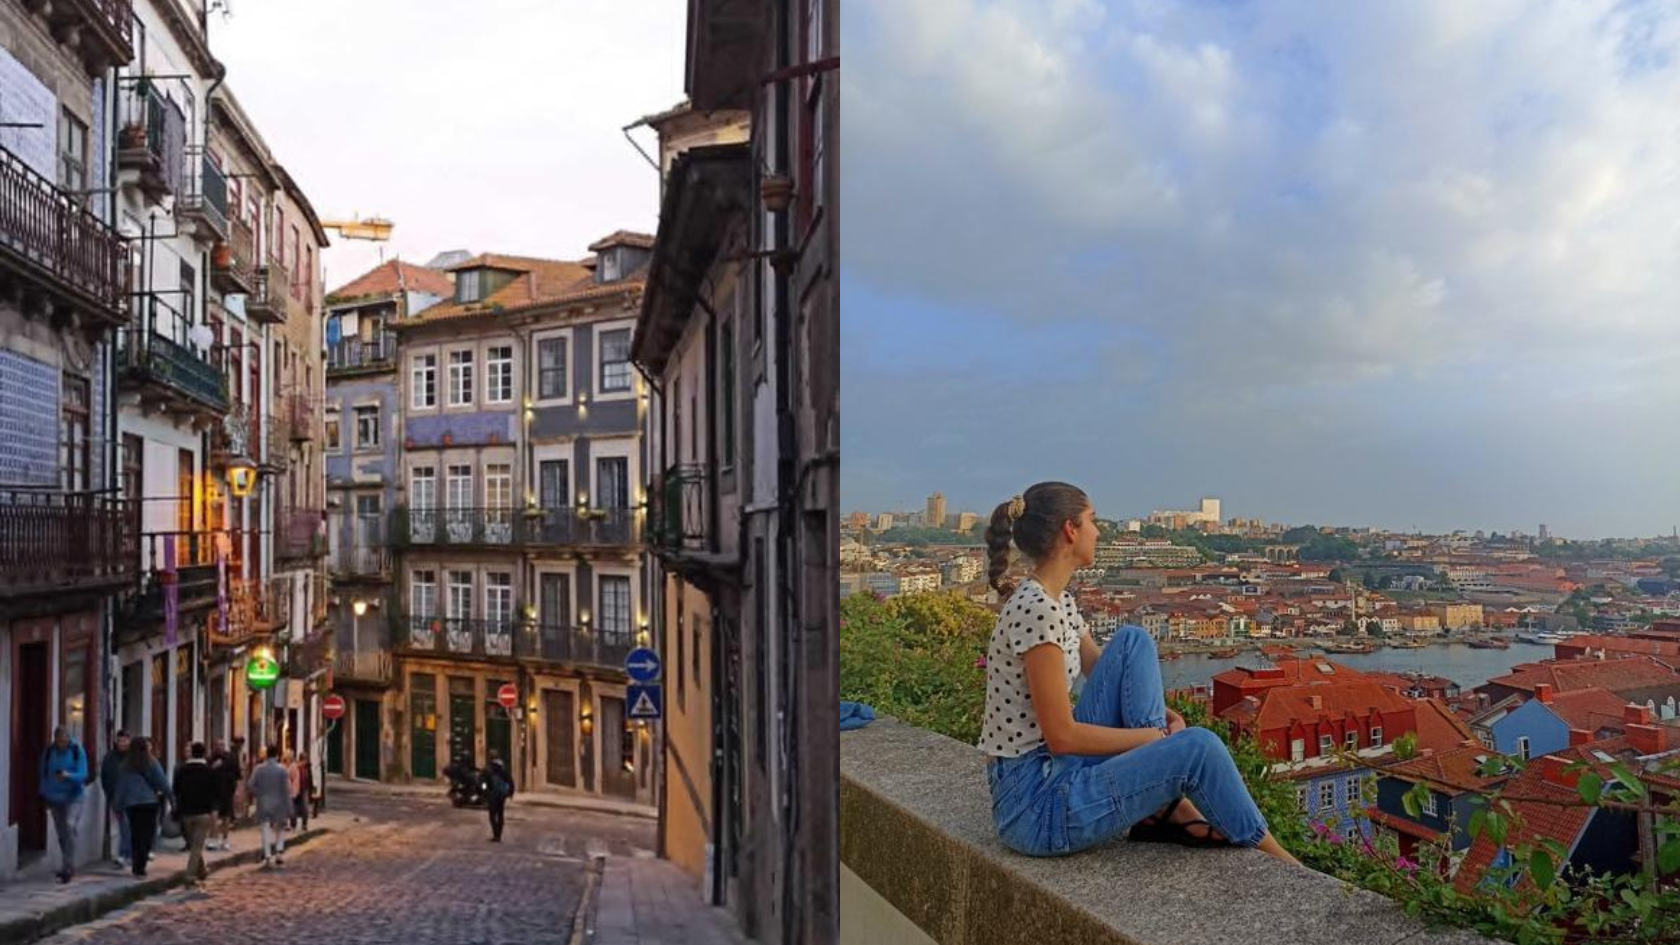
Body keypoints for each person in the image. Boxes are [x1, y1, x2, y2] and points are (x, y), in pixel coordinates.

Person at [980, 483, 1298, 865]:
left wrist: (1156, 718)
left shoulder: (1057, 600)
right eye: (1092, 521)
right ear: (1070, 529)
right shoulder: (1037, 610)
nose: (1099, 531)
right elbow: (1062, 736)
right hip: (1035, 808)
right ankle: (1280, 859)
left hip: (1052, 773)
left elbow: (1104, 670)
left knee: (1133, 640)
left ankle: (1159, 807)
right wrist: (1157, 739)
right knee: (1199, 747)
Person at [111, 736, 169, 877]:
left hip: (132, 805)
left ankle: (137, 865)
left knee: (136, 834)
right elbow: (162, 781)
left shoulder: (125, 765)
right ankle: (141, 865)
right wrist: (171, 797)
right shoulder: (151, 762)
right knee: (147, 834)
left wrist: (117, 804)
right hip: (149, 803)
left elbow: (121, 787)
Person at [39, 726, 89, 883]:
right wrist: (44, 795)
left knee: (70, 825)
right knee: (61, 833)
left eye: (65, 740)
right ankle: (66, 863)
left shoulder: (76, 751)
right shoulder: (48, 752)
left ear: (69, 739)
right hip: (54, 798)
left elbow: (83, 774)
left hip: (74, 796)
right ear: (55, 739)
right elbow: (43, 775)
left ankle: (69, 866)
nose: (62, 743)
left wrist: (68, 776)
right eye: (59, 741)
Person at [171, 742, 219, 886]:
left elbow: (176, 790)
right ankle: (190, 876)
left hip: (186, 812)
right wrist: (215, 809)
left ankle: (202, 870)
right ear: (204, 754)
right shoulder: (209, 771)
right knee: (197, 846)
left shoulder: (181, 770)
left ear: (192, 752)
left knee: (194, 844)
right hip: (203, 812)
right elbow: (215, 792)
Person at [247, 745, 291, 868]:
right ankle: (279, 852)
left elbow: (250, 785)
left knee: (265, 829)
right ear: (277, 755)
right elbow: (286, 789)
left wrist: (259, 793)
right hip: (279, 802)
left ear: (266, 755)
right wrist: (289, 806)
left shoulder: (259, 769)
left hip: (264, 802)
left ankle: (267, 856)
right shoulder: (282, 770)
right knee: (280, 828)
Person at [99, 730, 132, 869]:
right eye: (120, 741)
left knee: (127, 826)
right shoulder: (110, 757)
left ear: (129, 741)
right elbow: (104, 776)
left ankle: (124, 854)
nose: (122, 743)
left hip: (132, 798)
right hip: (116, 797)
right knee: (124, 826)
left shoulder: (133, 757)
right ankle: (127, 854)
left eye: (124, 740)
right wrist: (109, 793)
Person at [207, 739, 236, 851]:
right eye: (218, 745)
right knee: (213, 815)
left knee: (226, 817)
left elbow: (236, 774)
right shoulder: (210, 759)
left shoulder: (230, 758)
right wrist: (212, 767)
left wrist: (236, 790)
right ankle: (214, 838)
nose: (220, 747)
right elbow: (206, 774)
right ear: (214, 747)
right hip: (213, 792)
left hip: (227, 791)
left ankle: (225, 839)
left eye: (222, 745)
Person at [485, 751, 514, 842]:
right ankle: (499, 835)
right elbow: (510, 781)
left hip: (493, 795)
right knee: (500, 814)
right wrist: (510, 793)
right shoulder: (503, 769)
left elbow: (484, 782)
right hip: (501, 796)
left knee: (492, 815)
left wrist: (485, 792)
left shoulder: (489, 769)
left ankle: (496, 834)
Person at [292, 751, 315, 832]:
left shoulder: (308, 767)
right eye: (304, 759)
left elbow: (310, 778)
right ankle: (293, 824)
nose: (305, 761)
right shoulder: (296, 767)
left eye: (306, 759)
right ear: (301, 759)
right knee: (294, 808)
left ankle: (304, 824)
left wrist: (311, 788)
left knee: (305, 807)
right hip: (296, 789)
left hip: (305, 789)